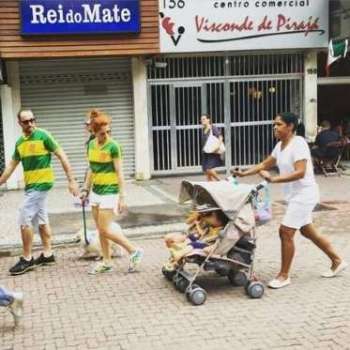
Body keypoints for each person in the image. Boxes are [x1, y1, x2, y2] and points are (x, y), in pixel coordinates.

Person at [232, 112, 347, 289]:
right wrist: (244, 173)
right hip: (294, 196)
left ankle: (284, 275)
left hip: (305, 194)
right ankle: (337, 261)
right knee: (308, 232)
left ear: (290, 126)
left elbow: (300, 171)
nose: (275, 127)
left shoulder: (298, 143)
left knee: (285, 232)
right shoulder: (280, 146)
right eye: (274, 124)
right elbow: (265, 164)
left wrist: (274, 180)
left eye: (279, 124)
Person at [0, 110, 79, 276]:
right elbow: (11, 166)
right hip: (31, 186)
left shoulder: (44, 136)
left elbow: (62, 155)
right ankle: (48, 254)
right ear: (20, 124)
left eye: (32, 120)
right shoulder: (20, 143)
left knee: (24, 216)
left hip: (42, 183)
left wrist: (71, 180)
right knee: (41, 219)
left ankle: (27, 259)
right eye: (26, 122)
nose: (30, 124)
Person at [81, 110, 143, 274]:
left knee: (104, 229)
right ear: (94, 132)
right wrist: (85, 189)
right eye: (102, 133)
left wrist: (122, 197)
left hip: (110, 191)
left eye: (109, 132)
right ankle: (106, 261)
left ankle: (134, 251)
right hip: (96, 192)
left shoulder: (114, 146)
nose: (106, 135)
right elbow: (91, 170)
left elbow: (120, 173)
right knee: (100, 228)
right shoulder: (90, 146)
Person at [201, 114, 223, 181]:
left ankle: (220, 181)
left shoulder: (213, 128)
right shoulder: (203, 129)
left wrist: (217, 146)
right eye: (201, 119)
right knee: (206, 170)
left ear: (208, 120)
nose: (202, 121)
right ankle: (210, 185)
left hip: (212, 151)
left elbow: (220, 137)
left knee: (209, 169)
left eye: (204, 119)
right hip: (206, 151)